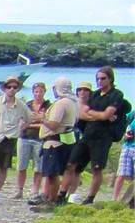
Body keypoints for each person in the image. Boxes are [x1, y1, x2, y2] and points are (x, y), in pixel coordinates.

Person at [64, 67, 132, 204]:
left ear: (110, 79)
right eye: (98, 79)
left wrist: (98, 115)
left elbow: (106, 114)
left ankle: (90, 198)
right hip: (88, 134)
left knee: (97, 168)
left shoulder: (116, 95)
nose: (100, 81)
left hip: (103, 137)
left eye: (103, 78)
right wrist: (100, 116)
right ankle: (63, 194)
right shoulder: (95, 95)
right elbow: (83, 113)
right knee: (71, 164)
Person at [29, 77, 80, 210]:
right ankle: (50, 198)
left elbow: (53, 124)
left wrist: (42, 118)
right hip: (64, 140)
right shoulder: (73, 102)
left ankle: (51, 200)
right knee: (54, 172)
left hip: (54, 142)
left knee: (52, 174)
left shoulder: (61, 103)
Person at [16, 80, 51, 200]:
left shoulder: (48, 106)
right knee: (21, 165)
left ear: (44, 92)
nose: (38, 94)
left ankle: (34, 190)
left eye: (41, 92)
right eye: (36, 92)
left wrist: (32, 123)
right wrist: (37, 121)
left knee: (38, 167)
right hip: (24, 137)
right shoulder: (27, 105)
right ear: (33, 92)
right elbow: (21, 122)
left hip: (40, 139)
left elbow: (47, 124)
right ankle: (19, 190)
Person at [112, 112, 135, 206]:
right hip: (127, 146)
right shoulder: (133, 114)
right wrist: (125, 135)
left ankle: (131, 201)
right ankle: (114, 200)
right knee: (121, 174)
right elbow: (123, 122)